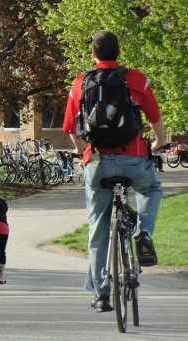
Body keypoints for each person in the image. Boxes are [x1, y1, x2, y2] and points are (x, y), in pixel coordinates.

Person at [63, 31, 167, 311]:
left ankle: (100, 292)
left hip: (97, 163)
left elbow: (72, 130)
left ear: (93, 54)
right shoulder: (136, 79)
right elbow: (156, 121)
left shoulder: (80, 82)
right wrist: (157, 143)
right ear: (119, 52)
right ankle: (144, 233)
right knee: (150, 188)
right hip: (134, 158)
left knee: (98, 227)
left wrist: (81, 150)